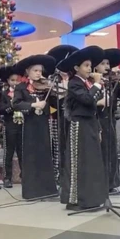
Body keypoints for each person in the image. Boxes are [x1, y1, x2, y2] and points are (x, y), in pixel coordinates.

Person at [57, 46, 107, 211]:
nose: (89, 69)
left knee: (91, 161)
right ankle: (76, 199)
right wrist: (97, 85)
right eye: (86, 65)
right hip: (79, 125)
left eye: (90, 65)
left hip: (90, 124)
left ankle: (91, 198)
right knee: (78, 162)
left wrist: (98, 128)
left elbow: (94, 105)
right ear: (76, 68)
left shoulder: (87, 83)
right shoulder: (74, 83)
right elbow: (87, 100)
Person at [12, 55, 58, 200]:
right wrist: (32, 105)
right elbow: (16, 104)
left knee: (45, 155)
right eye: (36, 70)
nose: (39, 73)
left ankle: (48, 189)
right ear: (28, 71)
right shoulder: (21, 87)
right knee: (31, 157)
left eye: (40, 70)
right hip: (29, 124)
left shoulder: (45, 86)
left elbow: (55, 104)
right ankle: (32, 191)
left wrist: (56, 94)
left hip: (43, 124)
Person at [93, 48, 120, 192]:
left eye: (108, 63)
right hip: (97, 118)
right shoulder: (91, 83)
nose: (106, 66)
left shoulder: (112, 81)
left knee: (111, 149)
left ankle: (112, 183)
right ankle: (100, 184)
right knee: (100, 151)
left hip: (110, 118)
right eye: (102, 63)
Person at [47, 45, 78, 183]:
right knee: (59, 146)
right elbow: (51, 100)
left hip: (74, 116)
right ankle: (61, 175)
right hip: (58, 116)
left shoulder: (74, 78)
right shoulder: (53, 79)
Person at [0, 66, 22, 189]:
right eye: (13, 80)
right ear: (8, 81)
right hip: (10, 125)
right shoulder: (4, 94)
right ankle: (7, 177)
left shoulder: (23, 92)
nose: (15, 83)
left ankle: (25, 176)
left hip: (22, 125)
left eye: (17, 80)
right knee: (9, 152)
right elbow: (0, 109)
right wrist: (10, 107)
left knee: (23, 152)